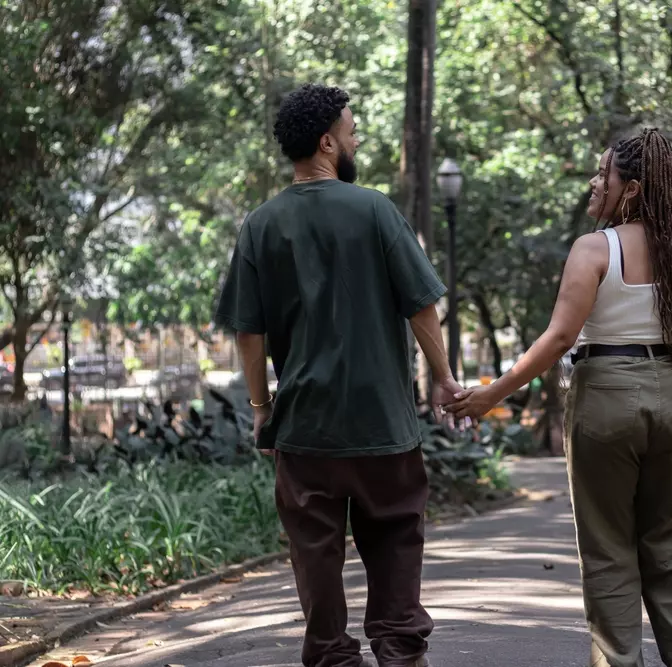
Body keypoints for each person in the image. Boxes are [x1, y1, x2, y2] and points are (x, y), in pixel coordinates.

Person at [446, 128, 672, 667]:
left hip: (608, 396)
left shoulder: (595, 248)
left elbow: (559, 337)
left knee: (610, 549)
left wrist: (489, 396)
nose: (595, 183)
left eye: (605, 175)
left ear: (633, 189)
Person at [215, 84, 458, 667]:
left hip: (305, 428)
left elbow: (248, 334)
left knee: (316, 555)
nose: (356, 139)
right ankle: (399, 651)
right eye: (351, 131)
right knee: (396, 538)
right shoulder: (374, 208)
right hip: (384, 427)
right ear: (327, 142)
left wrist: (260, 410)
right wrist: (444, 379)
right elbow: (422, 305)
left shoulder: (260, 225)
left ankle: (330, 652)